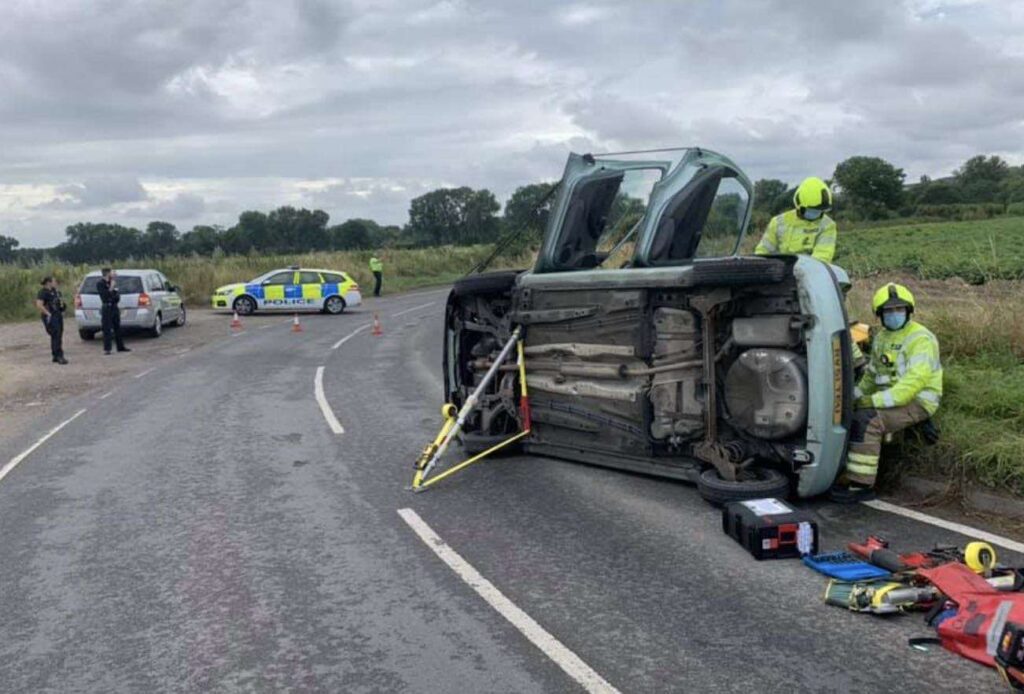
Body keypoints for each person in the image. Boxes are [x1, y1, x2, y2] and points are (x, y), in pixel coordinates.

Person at [831, 283, 942, 502]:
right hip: (892, 398)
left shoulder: (921, 339)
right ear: (880, 315)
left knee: (868, 420)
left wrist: (868, 401)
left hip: (917, 401)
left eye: (899, 309)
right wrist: (854, 395)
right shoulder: (882, 338)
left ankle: (861, 485)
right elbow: (872, 375)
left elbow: (910, 386)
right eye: (888, 311)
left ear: (909, 311)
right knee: (847, 414)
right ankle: (844, 472)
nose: (894, 314)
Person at [754, 176, 838, 263]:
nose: (816, 214)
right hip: (778, 271)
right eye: (811, 210)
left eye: (820, 211)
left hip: (811, 273)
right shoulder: (778, 222)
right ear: (799, 205)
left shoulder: (827, 225)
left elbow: (822, 257)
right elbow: (762, 252)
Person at [97, 267, 130, 355]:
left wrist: (114, 295)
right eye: (111, 272)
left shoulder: (112, 282)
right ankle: (107, 349)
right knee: (107, 328)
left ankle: (120, 346)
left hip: (114, 306)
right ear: (107, 273)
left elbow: (116, 295)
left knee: (118, 327)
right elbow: (105, 296)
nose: (113, 274)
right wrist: (111, 288)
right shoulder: (100, 284)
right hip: (107, 307)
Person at [35, 276, 68, 365]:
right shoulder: (42, 292)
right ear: (48, 282)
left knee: (58, 334)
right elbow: (39, 305)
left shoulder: (55, 291)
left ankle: (55, 356)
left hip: (57, 315)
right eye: (54, 281)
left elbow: (60, 302)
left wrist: (62, 309)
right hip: (50, 316)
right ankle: (59, 356)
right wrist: (48, 314)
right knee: (56, 334)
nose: (56, 282)